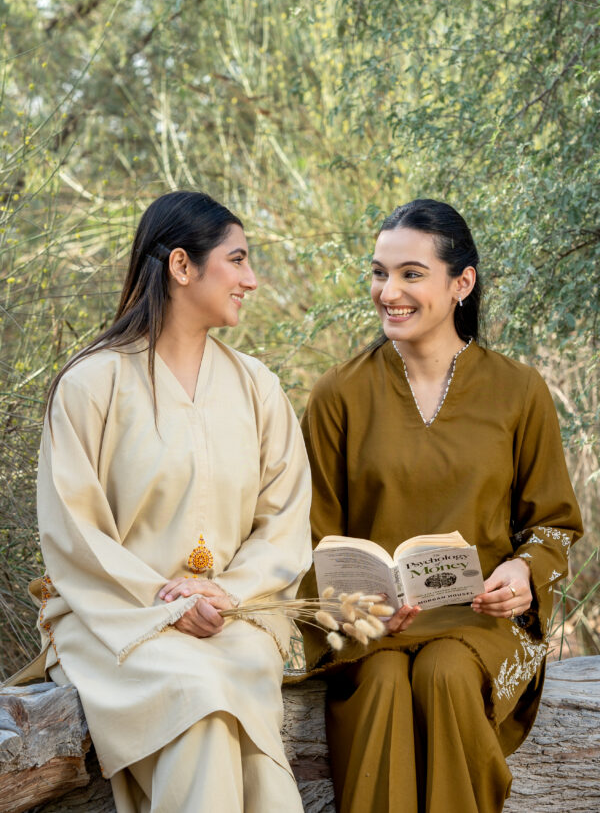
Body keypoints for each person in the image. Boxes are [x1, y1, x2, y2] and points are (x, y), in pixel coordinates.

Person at [24, 191, 312, 812]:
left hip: (233, 620)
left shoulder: (258, 388)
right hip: (117, 619)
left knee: (245, 739)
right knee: (197, 697)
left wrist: (225, 594)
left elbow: (286, 519)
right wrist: (164, 604)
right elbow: (75, 535)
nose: (251, 280)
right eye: (236, 260)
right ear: (182, 266)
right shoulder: (89, 383)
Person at [299, 199, 583, 813]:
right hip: (371, 629)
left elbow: (553, 524)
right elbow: (310, 538)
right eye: (379, 273)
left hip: (483, 624)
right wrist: (352, 609)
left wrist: (524, 572)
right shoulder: (338, 395)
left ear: (462, 283)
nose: (388, 292)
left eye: (410, 274)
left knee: (445, 674)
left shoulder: (519, 391)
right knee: (379, 683)